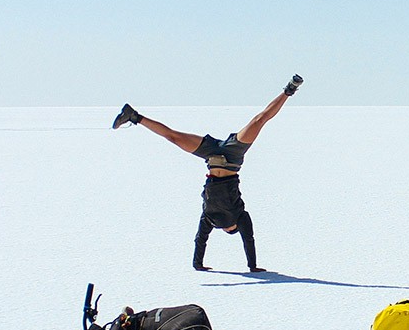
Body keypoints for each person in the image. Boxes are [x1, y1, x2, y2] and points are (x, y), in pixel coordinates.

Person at [112, 75, 302, 272]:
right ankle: (289, 90)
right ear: (234, 228)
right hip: (233, 157)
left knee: (174, 137)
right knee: (259, 120)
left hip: (212, 157)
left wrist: (198, 264)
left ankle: (134, 116)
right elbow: (249, 239)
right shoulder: (239, 217)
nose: (228, 229)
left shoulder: (209, 218)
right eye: (231, 230)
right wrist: (252, 267)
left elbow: (200, 240)